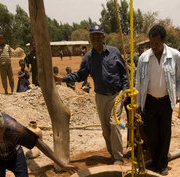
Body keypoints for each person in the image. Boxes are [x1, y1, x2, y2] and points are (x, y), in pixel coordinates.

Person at [55, 23, 128, 165]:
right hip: (100, 97)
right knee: (106, 129)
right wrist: (63, 79)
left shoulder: (114, 52)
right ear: (90, 39)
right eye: (93, 38)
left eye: (98, 37)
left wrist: (125, 90)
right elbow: (81, 75)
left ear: (103, 37)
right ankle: (112, 154)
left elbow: (124, 73)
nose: (95, 41)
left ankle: (118, 157)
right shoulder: (88, 57)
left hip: (116, 95)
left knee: (114, 124)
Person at [135, 25, 180, 175]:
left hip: (165, 101)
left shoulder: (175, 56)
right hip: (149, 101)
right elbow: (138, 82)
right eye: (151, 43)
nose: (154, 46)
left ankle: (162, 164)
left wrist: (175, 94)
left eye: (156, 43)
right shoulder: (144, 58)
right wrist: (138, 103)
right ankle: (154, 162)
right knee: (151, 134)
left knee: (165, 133)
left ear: (164, 40)